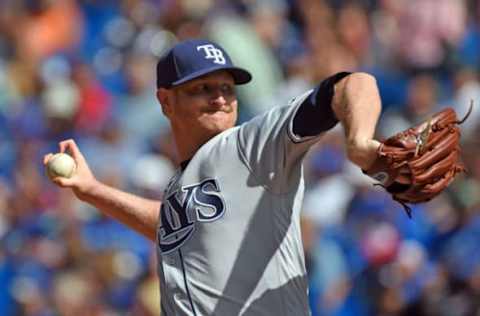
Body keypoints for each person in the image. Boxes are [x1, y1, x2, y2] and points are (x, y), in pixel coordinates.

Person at [44, 39, 382, 315]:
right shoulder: (180, 184)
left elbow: (353, 84)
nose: (220, 98)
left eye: (227, 88)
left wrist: (359, 140)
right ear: (165, 101)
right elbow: (171, 226)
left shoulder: (253, 144)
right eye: (202, 88)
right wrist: (92, 191)